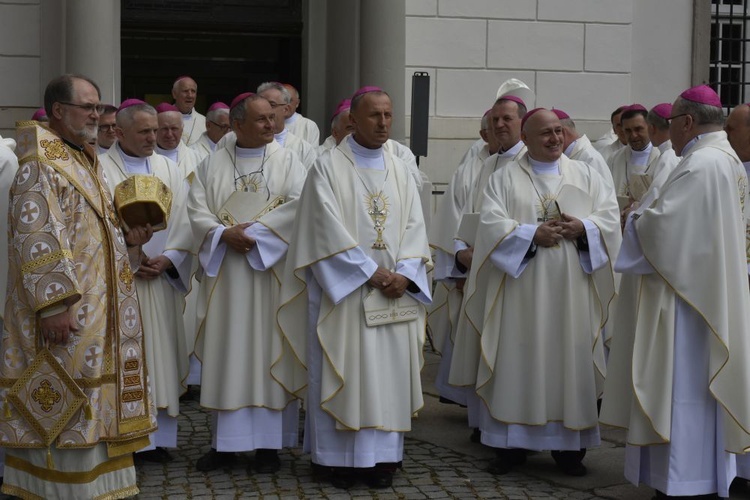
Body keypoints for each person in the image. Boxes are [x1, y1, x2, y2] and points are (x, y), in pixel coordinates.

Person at [0, 74, 155, 499]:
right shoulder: (40, 165)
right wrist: (52, 306)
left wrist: (129, 240)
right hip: (69, 313)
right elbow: (37, 238)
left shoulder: (85, 159)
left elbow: (89, 235)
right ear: (57, 111)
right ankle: (59, 490)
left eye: (98, 105)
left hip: (101, 312)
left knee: (96, 404)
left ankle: (99, 488)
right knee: (67, 398)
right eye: (86, 106)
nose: (96, 113)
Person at [277, 86, 431, 489]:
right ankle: (336, 460)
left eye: (388, 115)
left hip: (394, 291)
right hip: (344, 294)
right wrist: (372, 272)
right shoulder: (327, 166)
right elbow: (322, 229)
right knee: (345, 367)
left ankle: (383, 458)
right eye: (374, 116)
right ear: (353, 121)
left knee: (387, 374)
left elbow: (417, 226)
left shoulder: (401, 166)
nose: (383, 123)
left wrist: (406, 273)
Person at [600, 85, 750, 498]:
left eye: (670, 125)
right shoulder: (727, 160)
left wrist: (633, 218)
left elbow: (665, 231)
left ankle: (684, 484)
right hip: (705, 294)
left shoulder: (701, 164)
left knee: (684, 394)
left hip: (688, 305)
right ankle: (691, 480)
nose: (667, 133)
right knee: (695, 397)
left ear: (686, 122)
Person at [460, 108, 620, 476]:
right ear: (526, 139)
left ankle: (568, 450)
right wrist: (532, 233)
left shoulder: (588, 174)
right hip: (521, 293)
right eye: (545, 133)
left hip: (573, 293)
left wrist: (585, 227)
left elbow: (610, 219)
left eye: (559, 131)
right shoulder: (503, 178)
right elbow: (489, 225)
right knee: (518, 359)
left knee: (570, 360)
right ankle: (511, 447)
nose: (554, 138)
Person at [186, 92, 307, 474]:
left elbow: (302, 205)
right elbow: (195, 209)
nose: (272, 124)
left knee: (269, 352)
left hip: (272, 274)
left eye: (273, 118)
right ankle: (227, 446)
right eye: (262, 120)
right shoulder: (211, 165)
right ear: (237, 125)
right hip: (228, 278)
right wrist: (223, 236)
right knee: (230, 353)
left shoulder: (289, 162)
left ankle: (269, 448)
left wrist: (256, 237)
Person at [99, 99, 192, 464]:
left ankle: (158, 440)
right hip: (122, 282)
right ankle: (126, 438)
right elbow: (99, 225)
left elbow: (187, 221)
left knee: (161, 356)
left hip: (162, 281)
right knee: (127, 359)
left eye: (155, 130)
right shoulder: (101, 169)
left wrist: (170, 259)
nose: (154, 137)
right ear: (119, 133)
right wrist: (131, 253)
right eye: (144, 131)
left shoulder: (169, 168)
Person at [448, 95, 528, 437]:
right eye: (495, 120)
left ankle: (514, 426)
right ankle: (486, 425)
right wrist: (459, 252)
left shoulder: (533, 164)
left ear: (523, 123)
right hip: (482, 274)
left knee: (512, 355)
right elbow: (463, 216)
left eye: (506, 119)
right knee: (484, 348)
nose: (499, 126)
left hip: (519, 278)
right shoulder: (486, 165)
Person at [429, 109, 499, 409]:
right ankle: (470, 403)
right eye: (492, 127)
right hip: (469, 269)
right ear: (484, 135)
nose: (499, 130)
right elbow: (450, 219)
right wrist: (457, 266)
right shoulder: (470, 168)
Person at [257, 81, 318, 169]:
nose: (265, 110)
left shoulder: (304, 148)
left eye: (272, 105)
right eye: (261, 105)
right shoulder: (245, 142)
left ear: (286, 109)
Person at [609, 105, 663, 202]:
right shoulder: (615, 158)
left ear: (650, 127)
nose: (633, 135)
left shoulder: (661, 157)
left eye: (638, 129)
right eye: (628, 131)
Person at [154, 102, 204, 182]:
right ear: (155, 130)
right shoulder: (147, 159)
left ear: (182, 129)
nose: (169, 134)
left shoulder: (197, 159)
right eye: (164, 129)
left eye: (174, 129)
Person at [173, 75, 206, 147]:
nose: (190, 95)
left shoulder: (204, 122)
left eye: (193, 91)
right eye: (185, 91)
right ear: (174, 94)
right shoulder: (161, 119)